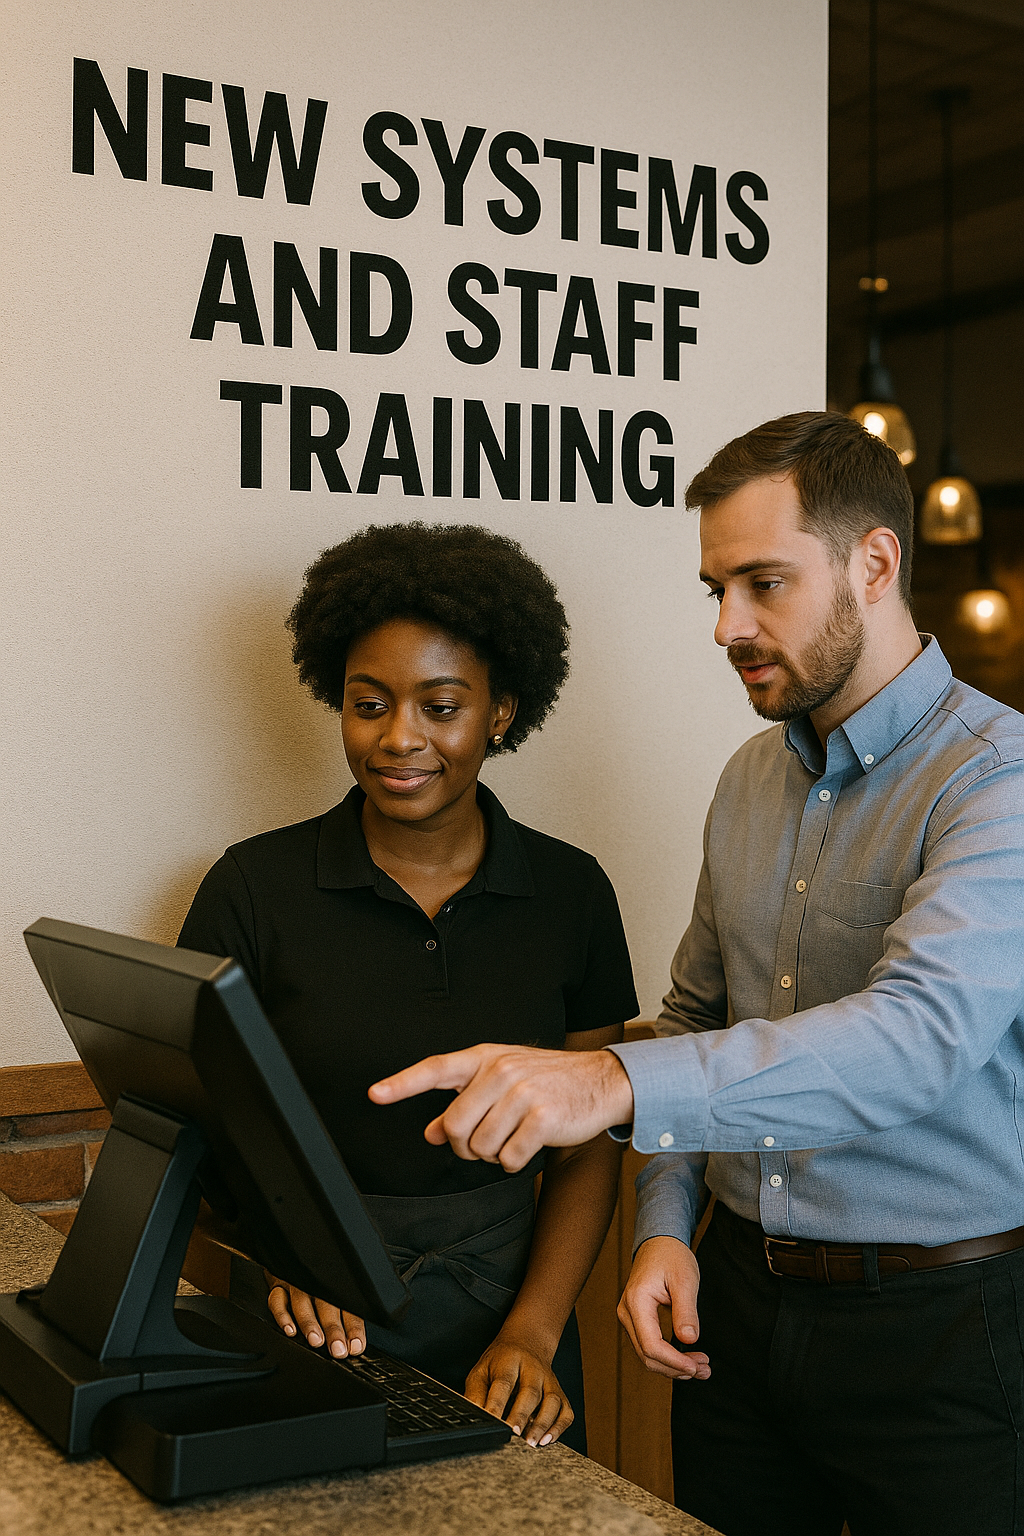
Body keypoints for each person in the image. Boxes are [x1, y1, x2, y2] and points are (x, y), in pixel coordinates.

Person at [370, 413, 1024, 1534]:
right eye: (716, 589)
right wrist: (667, 1223)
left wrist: (610, 1088)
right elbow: (692, 1019)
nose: (728, 626)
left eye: (763, 583)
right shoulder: (747, 779)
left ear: (874, 563)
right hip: (734, 1313)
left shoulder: (997, 782)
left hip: (946, 1331)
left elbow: (917, 1038)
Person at [178, 521, 638, 1454]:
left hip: (513, 1328)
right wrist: (278, 1265)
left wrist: (535, 1330)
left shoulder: (572, 892)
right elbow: (192, 1123)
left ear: (501, 710)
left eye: (440, 706)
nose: (400, 739)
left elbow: (588, 1144)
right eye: (368, 704)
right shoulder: (251, 889)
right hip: (304, 1319)